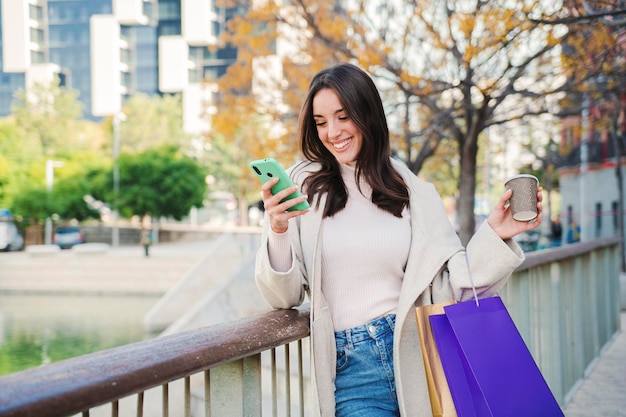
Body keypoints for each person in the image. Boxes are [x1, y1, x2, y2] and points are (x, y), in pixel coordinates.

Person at [254, 63, 543, 417]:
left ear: (368, 114)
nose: (332, 132)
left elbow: (454, 284)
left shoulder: (410, 188)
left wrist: (497, 233)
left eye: (343, 117)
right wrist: (278, 228)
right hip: (351, 370)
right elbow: (284, 296)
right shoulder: (304, 185)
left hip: (418, 355)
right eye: (321, 121)